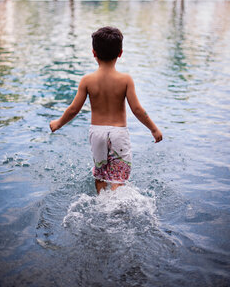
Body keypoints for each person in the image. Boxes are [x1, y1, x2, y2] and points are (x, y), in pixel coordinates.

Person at [50, 26, 162, 194]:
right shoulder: (125, 80)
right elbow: (137, 109)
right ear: (120, 53)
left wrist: (58, 123)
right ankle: (116, 205)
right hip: (119, 133)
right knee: (118, 177)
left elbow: (74, 109)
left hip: (97, 133)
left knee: (101, 175)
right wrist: (153, 129)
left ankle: (102, 202)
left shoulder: (87, 80)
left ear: (94, 53)